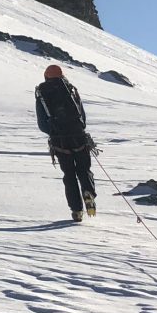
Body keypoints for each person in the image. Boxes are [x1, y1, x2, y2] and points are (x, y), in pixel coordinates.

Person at [35, 65, 97, 222]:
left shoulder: (41, 93)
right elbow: (82, 119)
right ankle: (88, 192)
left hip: (59, 142)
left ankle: (77, 211)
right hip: (79, 138)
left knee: (69, 175)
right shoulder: (70, 89)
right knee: (84, 170)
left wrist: (54, 132)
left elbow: (42, 124)